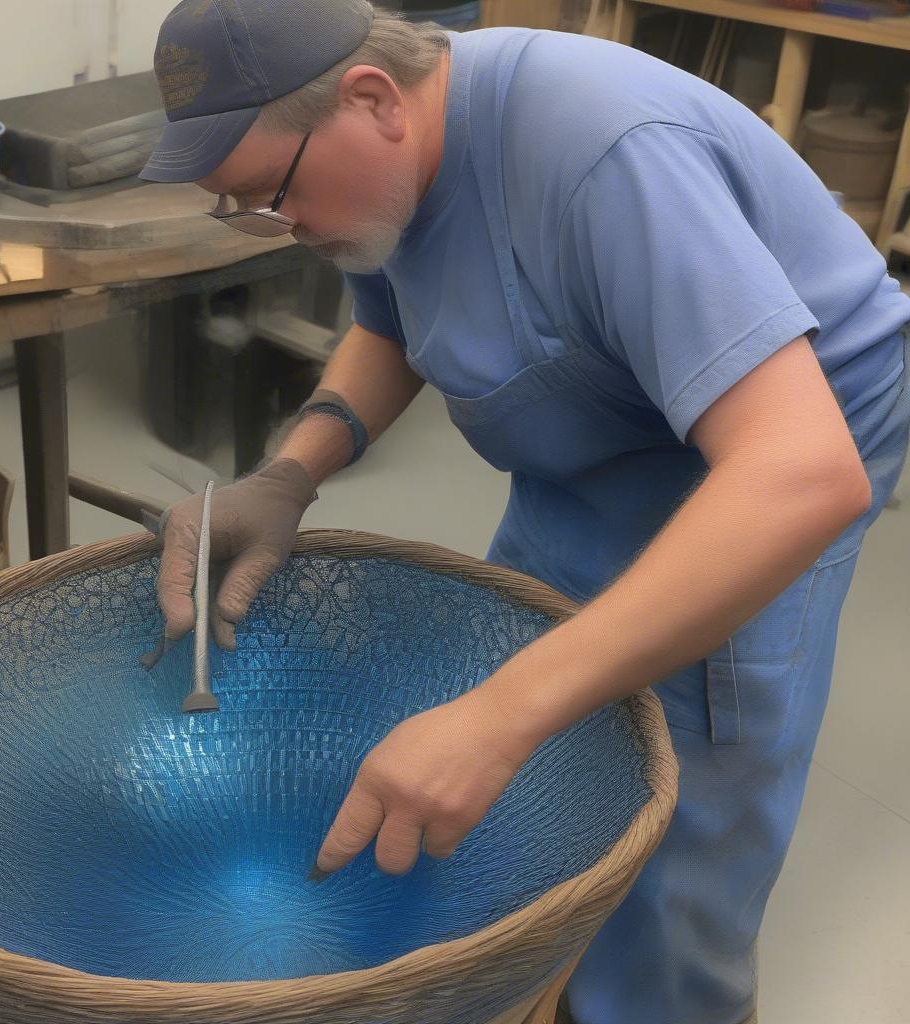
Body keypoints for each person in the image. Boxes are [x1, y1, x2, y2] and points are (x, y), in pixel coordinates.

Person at [138, 2, 910, 1021]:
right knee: (534, 712)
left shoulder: (603, 155)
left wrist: (501, 718)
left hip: (778, 442)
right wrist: (290, 473)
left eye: (270, 197)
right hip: (600, 424)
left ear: (371, 99)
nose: (277, 229)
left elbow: (803, 475)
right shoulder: (398, 153)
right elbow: (397, 318)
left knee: (673, 793)